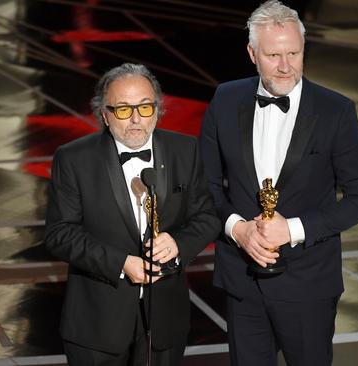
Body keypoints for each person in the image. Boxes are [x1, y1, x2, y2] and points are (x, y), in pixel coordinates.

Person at [198, 1, 358, 365]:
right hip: (241, 280)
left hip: (309, 284)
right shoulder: (225, 98)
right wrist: (237, 230)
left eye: (294, 53)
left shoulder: (335, 110)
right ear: (252, 53)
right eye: (273, 54)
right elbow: (205, 185)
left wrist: (292, 229)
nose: (285, 66)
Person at [45, 63, 220, 365]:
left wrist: (178, 244)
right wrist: (122, 264)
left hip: (166, 321)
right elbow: (60, 234)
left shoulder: (186, 150)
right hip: (97, 326)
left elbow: (207, 217)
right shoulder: (73, 158)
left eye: (145, 107)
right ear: (105, 114)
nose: (137, 119)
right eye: (124, 110)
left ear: (158, 108)